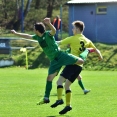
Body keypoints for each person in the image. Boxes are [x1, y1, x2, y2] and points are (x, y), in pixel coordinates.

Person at [11, 18, 90, 105]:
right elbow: (27, 36)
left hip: (60, 56)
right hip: (54, 61)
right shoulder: (37, 37)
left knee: (80, 61)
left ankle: (86, 51)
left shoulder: (48, 34)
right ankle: (46, 98)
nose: (33, 30)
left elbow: (54, 30)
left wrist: (49, 24)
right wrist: (16, 33)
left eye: (34, 29)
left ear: (37, 30)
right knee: (49, 78)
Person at [50, 20, 103, 114]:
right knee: (67, 85)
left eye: (73, 28)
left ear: (78, 29)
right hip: (79, 67)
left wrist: (48, 41)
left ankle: (59, 99)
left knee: (59, 81)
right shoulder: (87, 40)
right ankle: (68, 105)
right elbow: (95, 50)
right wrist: (100, 56)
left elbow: (58, 43)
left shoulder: (73, 38)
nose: (72, 29)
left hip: (72, 64)